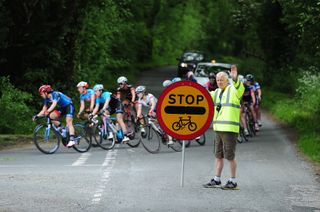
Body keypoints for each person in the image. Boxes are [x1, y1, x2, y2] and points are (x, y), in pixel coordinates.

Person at [203, 65, 244, 190]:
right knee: (218, 155)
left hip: (229, 130)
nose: (219, 82)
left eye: (222, 79)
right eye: (217, 80)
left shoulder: (234, 90)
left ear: (227, 80)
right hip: (218, 129)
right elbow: (203, 96)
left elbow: (239, 88)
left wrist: (235, 78)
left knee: (229, 156)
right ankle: (217, 179)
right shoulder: (217, 92)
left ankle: (233, 181)